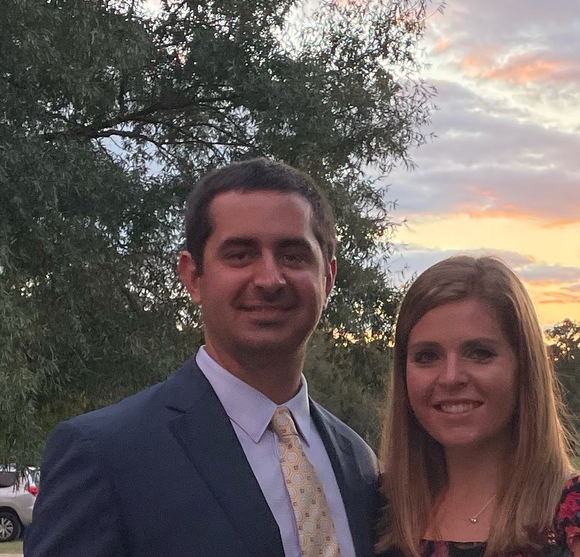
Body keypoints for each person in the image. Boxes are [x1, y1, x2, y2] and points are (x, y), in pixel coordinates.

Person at [25, 158, 381, 557]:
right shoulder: (106, 455)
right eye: (240, 255)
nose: (269, 279)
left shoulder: (358, 463)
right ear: (193, 276)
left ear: (328, 278)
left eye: (293, 255)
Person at [376, 255, 580, 557]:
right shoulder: (378, 510)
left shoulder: (569, 514)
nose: (451, 377)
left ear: (524, 367)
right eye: (427, 356)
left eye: (479, 353)